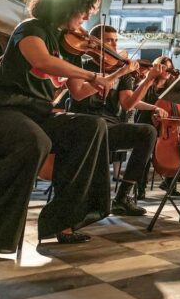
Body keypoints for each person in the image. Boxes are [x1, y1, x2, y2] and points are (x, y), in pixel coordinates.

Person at [0, 0, 113, 257]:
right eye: (85, 9)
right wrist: (91, 74)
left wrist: (113, 75)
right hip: (3, 109)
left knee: (92, 126)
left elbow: (78, 94)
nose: (88, 16)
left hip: (38, 112)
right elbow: (41, 61)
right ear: (68, 6)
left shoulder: (69, 47)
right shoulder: (30, 29)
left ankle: (62, 220)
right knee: (34, 141)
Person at [66, 25, 162, 217]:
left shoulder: (122, 69)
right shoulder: (81, 63)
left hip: (111, 125)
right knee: (98, 126)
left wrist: (148, 81)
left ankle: (123, 197)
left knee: (148, 132)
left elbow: (128, 104)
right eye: (109, 40)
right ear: (95, 43)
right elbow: (79, 94)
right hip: (85, 123)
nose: (114, 45)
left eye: (116, 40)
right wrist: (118, 74)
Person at [131, 56, 180, 196]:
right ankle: (139, 188)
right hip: (146, 122)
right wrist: (154, 109)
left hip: (166, 126)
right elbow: (134, 103)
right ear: (157, 68)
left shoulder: (172, 87)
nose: (167, 71)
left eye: (169, 68)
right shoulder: (146, 84)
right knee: (145, 153)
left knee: (176, 150)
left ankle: (170, 184)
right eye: (164, 68)